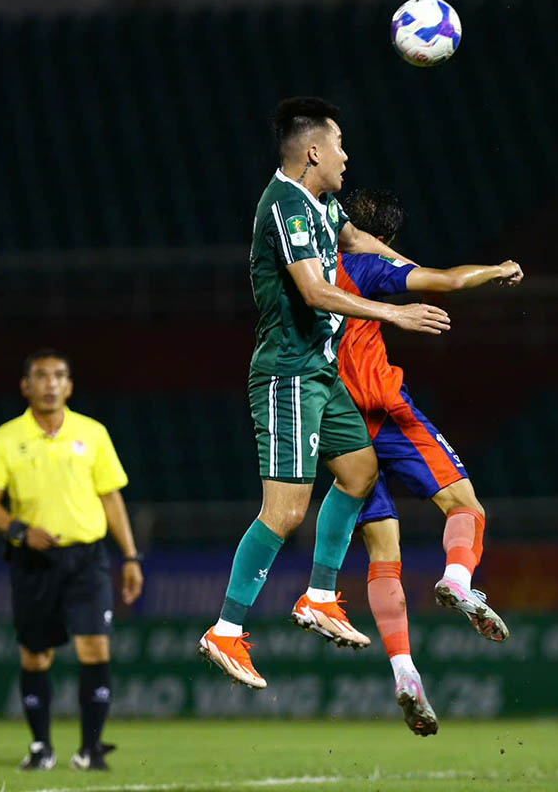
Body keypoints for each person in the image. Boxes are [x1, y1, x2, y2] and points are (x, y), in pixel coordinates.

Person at [198, 97, 451, 689]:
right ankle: (226, 630)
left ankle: (318, 597)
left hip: (321, 370)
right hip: (288, 374)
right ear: (313, 150)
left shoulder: (322, 202)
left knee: (360, 472)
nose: (346, 155)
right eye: (338, 143)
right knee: (284, 511)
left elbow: (359, 239)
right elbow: (314, 292)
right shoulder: (284, 206)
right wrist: (395, 314)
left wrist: (418, 274)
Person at [335, 188, 524, 736]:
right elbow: (448, 281)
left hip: (337, 424)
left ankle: (405, 672)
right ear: (384, 238)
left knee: (382, 553)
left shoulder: (307, 276)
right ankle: (459, 580)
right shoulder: (370, 266)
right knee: (466, 506)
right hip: (385, 411)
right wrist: (500, 269)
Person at [0, 349, 143, 771]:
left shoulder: (94, 433)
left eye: (59, 376)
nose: (50, 383)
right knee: (36, 655)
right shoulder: (4, 438)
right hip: (33, 561)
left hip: (87, 558)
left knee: (95, 648)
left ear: (69, 386)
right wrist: (19, 532)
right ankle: (41, 747)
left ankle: (90, 749)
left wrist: (130, 556)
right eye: (41, 376)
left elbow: (111, 497)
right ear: (25, 386)